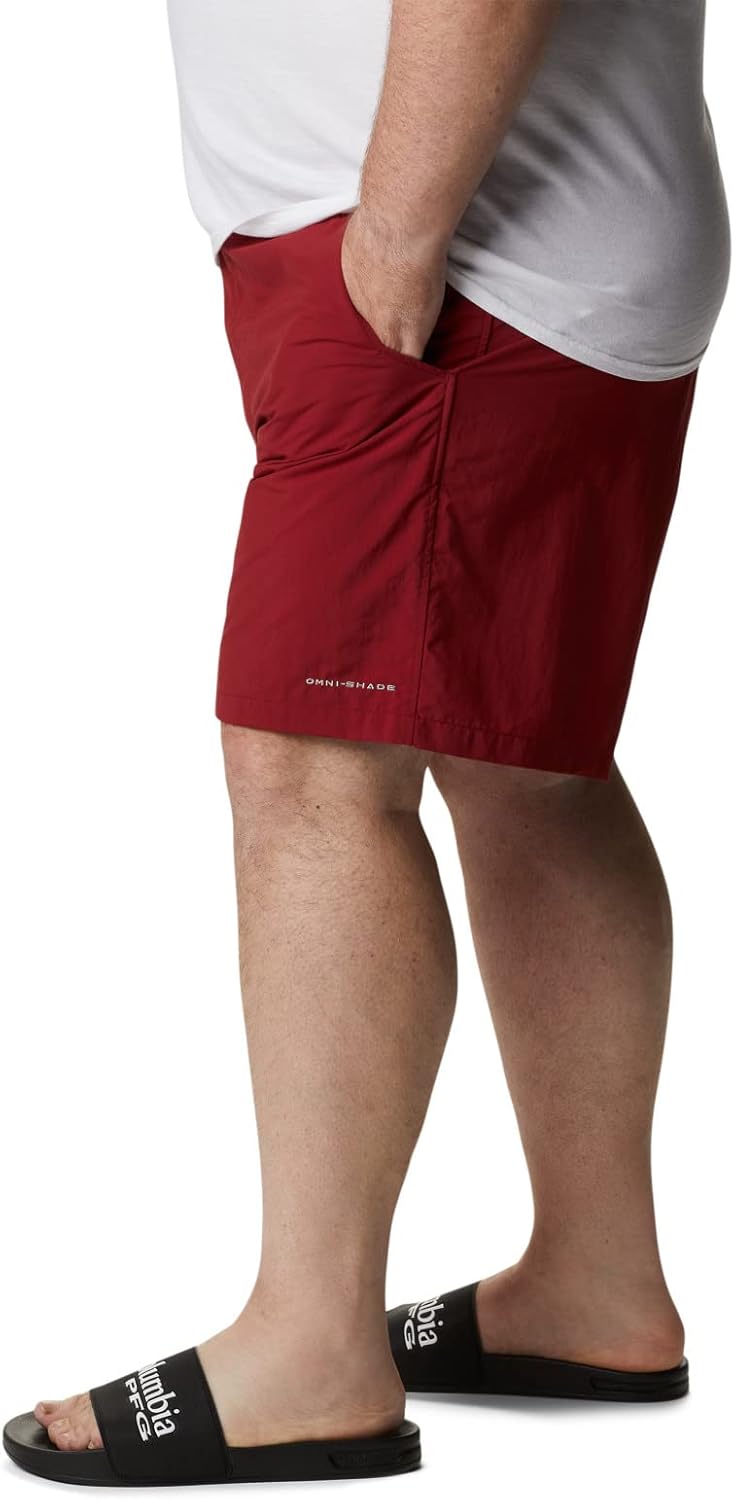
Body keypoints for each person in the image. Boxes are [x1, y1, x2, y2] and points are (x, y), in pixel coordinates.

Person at [4, 0, 731, 1487]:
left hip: (458, 248)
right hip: (496, 238)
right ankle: (592, 1283)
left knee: (313, 764)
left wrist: (396, 238)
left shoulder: (419, 245)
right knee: (524, 760)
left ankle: (312, 1344)